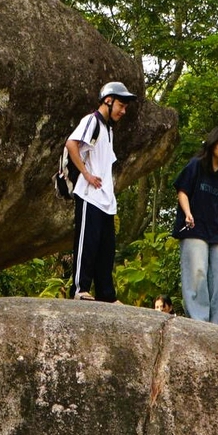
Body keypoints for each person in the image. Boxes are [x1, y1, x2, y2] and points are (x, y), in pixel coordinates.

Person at [67, 81, 133, 302]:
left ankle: (107, 295)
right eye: (121, 106)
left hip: (106, 199)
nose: (123, 111)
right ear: (108, 100)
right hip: (89, 194)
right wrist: (85, 173)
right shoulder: (91, 121)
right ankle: (80, 289)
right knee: (87, 243)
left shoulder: (108, 130)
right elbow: (71, 144)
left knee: (106, 249)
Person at [173, 126, 218, 325]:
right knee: (198, 271)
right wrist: (187, 213)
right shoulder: (196, 165)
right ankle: (199, 318)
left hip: (217, 229)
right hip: (195, 227)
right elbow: (182, 191)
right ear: (213, 143)